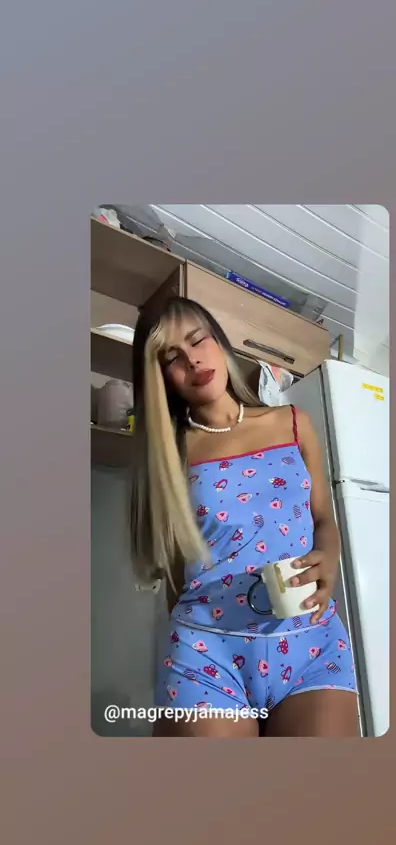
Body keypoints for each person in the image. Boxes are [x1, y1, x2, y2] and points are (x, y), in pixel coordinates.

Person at [130, 296, 359, 737]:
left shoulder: (293, 422)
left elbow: (324, 520)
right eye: (172, 358)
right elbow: (173, 572)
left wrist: (329, 558)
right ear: (161, 380)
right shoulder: (168, 455)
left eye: (198, 340)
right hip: (207, 650)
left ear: (219, 342)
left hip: (310, 641)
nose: (193, 359)